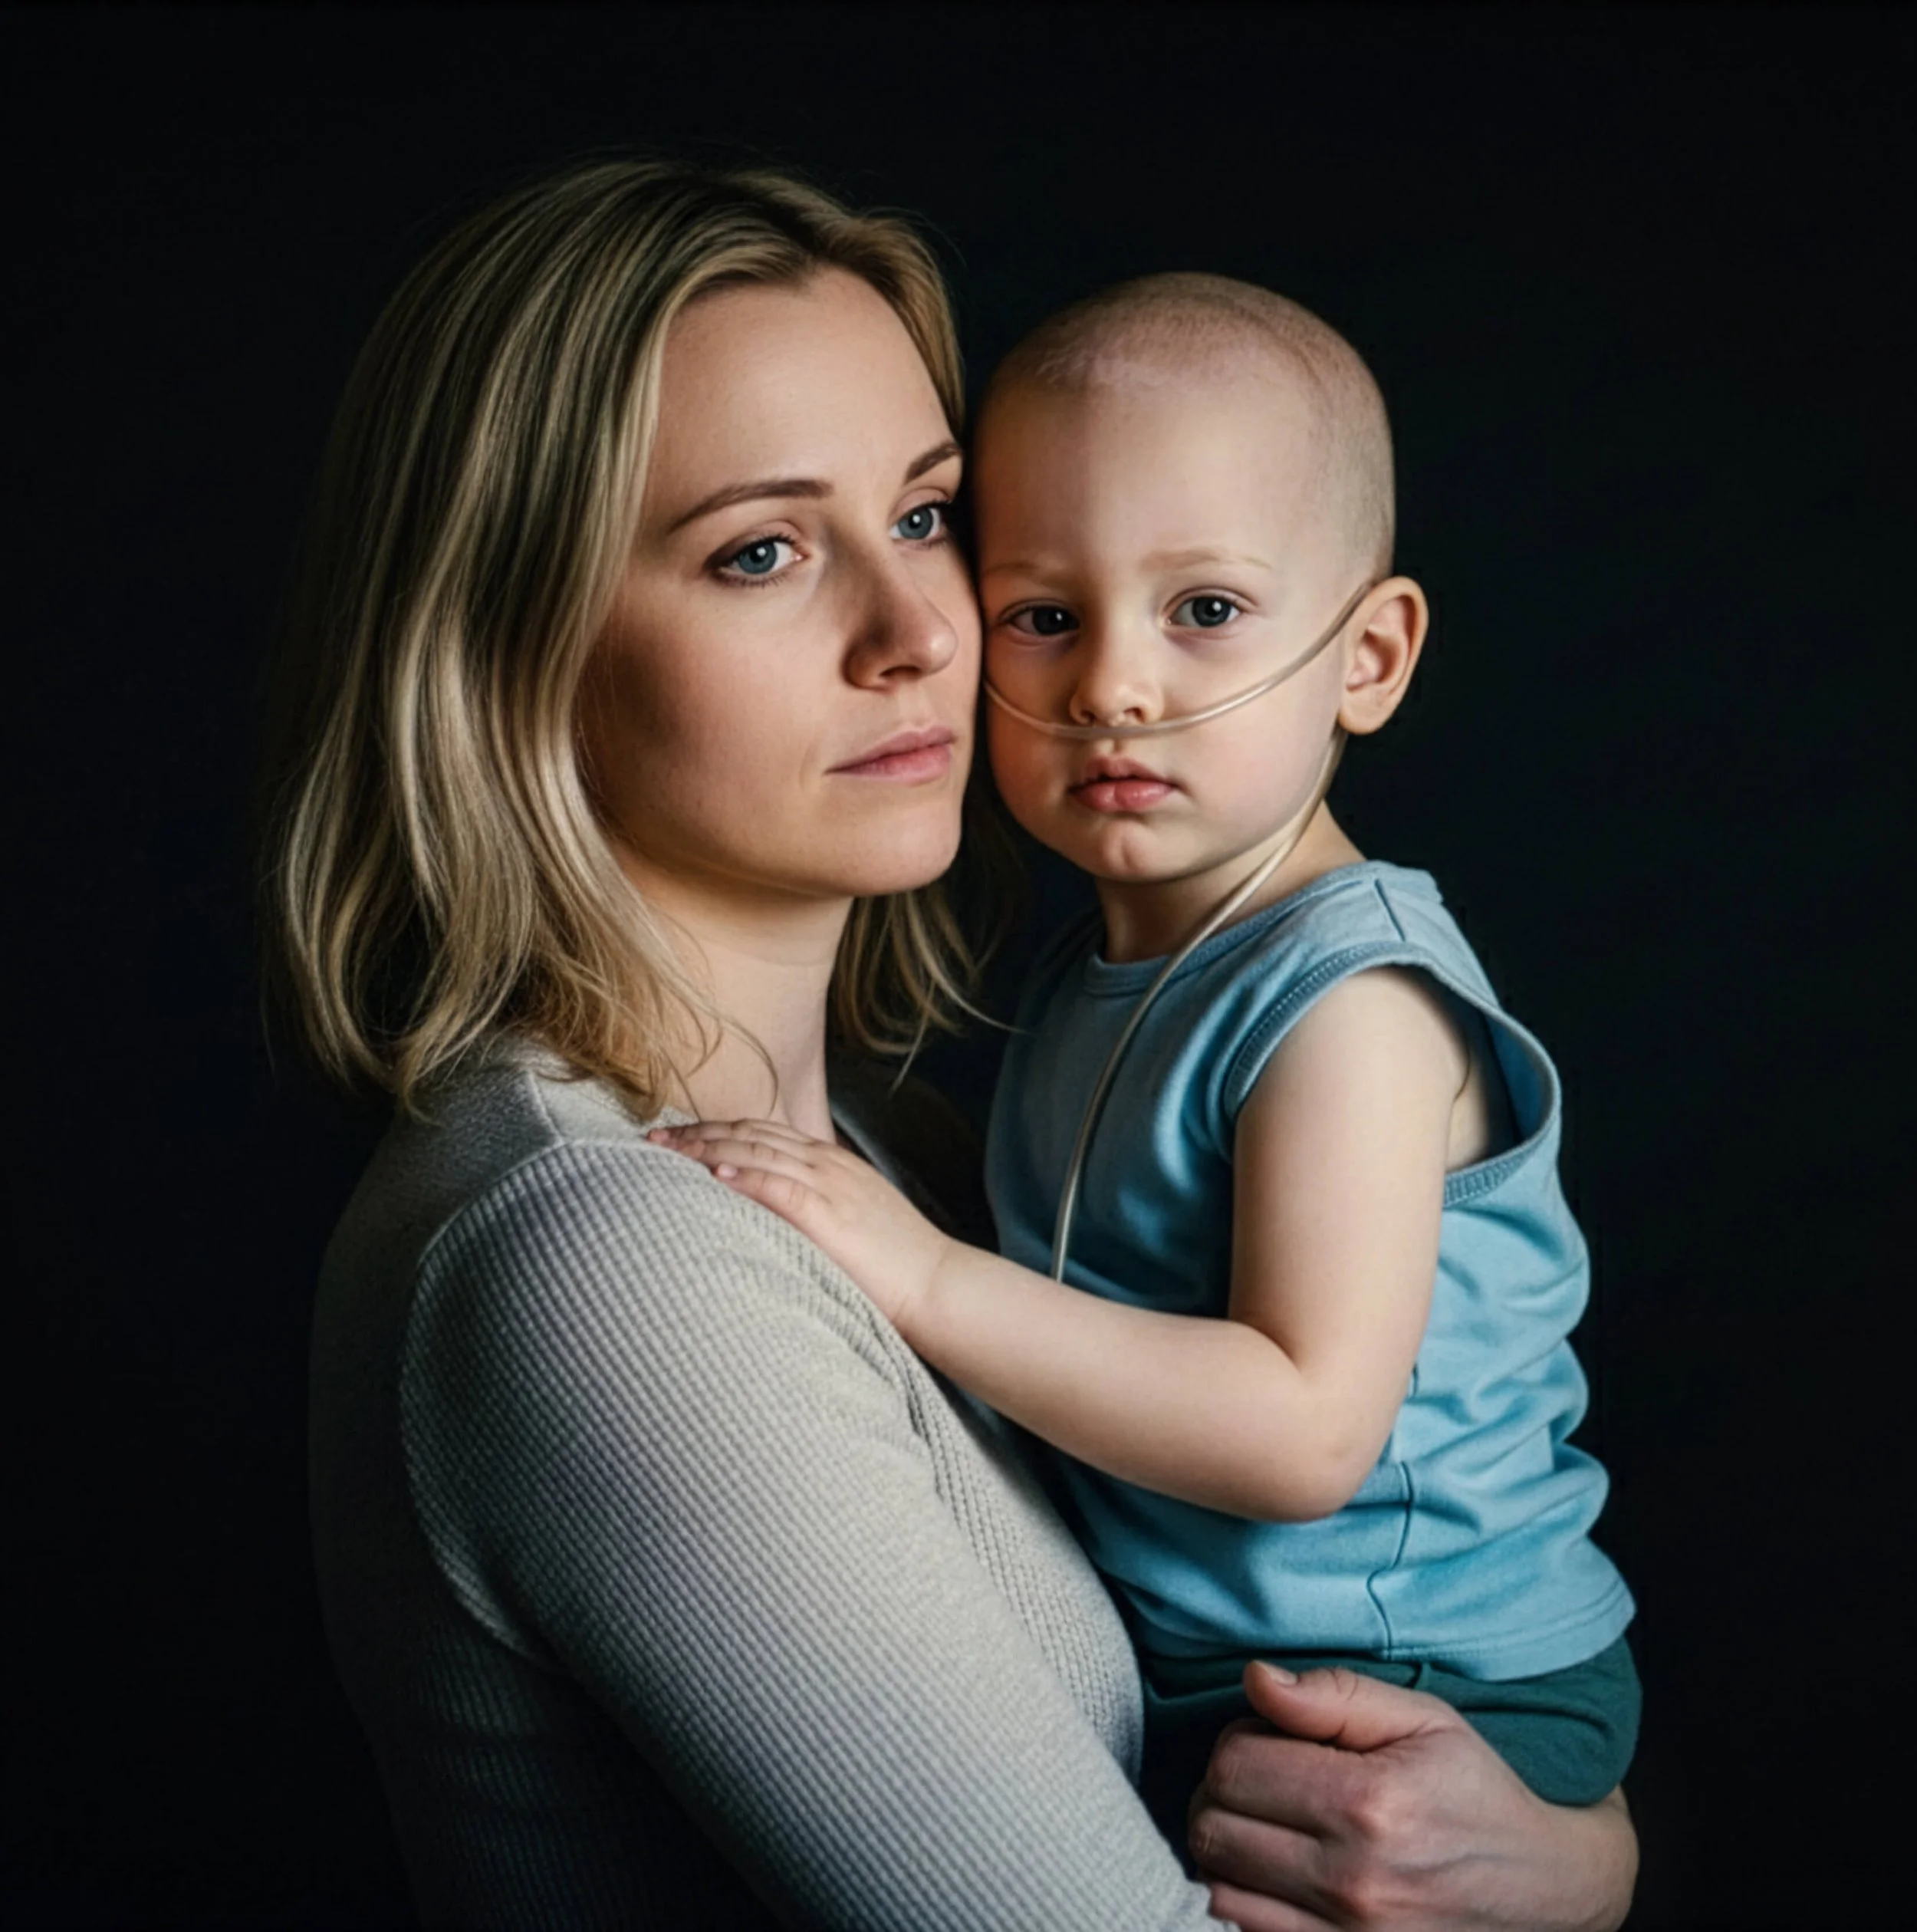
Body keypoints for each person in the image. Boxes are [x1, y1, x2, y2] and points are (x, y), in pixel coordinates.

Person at [265, 159, 1639, 1928]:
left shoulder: (889, 1149)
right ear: (508, 642)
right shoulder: (605, 1262)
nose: (924, 634)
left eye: (922, 517)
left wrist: (1570, 1859)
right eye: (758, 550)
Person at [661, 275, 1639, 1844]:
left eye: (1203, 611)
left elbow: (1297, 1432)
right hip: (1206, 1659)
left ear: (1368, 657)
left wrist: (916, 1280)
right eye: (1042, 616)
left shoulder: (1345, 1006)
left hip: (1421, 1677)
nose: (1110, 685)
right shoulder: (1102, 966)